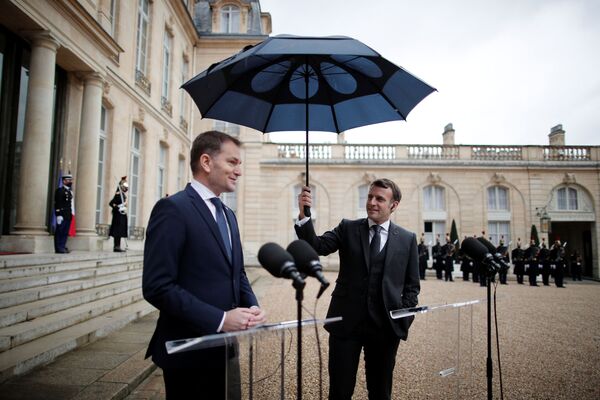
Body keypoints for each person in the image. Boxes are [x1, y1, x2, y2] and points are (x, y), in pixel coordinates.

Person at [142, 131, 267, 399]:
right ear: (207, 162)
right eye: (232, 162)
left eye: (240, 164)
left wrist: (252, 306)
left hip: (224, 349)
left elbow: (238, 273)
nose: (239, 171)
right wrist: (220, 319)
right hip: (188, 351)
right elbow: (157, 286)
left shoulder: (229, 215)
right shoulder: (172, 209)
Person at [295, 178, 420, 400]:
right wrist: (305, 216)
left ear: (394, 205)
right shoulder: (348, 228)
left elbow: (411, 287)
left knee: (380, 392)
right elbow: (317, 246)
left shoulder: (407, 239)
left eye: (379, 199)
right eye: (370, 197)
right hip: (346, 325)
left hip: (385, 329)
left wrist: (402, 319)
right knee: (340, 392)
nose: (372, 202)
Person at [53, 173, 74, 254]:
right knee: (60, 231)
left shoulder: (69, 191)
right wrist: (58, 214)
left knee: (65, 232)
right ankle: (58, 247)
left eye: (70, 180)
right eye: (68, 180)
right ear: (64, 181)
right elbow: (57, 203)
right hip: (61, 214)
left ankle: (62, 246)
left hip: (67, 215)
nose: (70, 182)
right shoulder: (60, 191)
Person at [108, 177, 128, 252]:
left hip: (122, 215)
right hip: (118, 215)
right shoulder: (118, 194)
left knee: (120, 231)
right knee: (117, 231)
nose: (126, 188)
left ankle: (118, 246)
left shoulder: (123, 195)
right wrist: (118, 207)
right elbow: (111, 203)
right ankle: (116, 246)